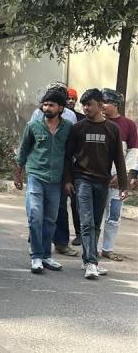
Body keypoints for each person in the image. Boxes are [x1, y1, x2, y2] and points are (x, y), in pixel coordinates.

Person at [64, 89, 128, 279]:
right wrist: (68, 180)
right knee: (86, 221)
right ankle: (92, 262)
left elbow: (119, 158)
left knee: (96, 223)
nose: (85, 108)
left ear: (100, 105)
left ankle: (88, 259)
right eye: (83, 105)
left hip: (103, 181)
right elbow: (67, 157)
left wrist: (123, 185)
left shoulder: (112, 129)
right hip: (82, 180)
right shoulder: (78, 128)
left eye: (89, 104)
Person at [14, 90, 72, 274]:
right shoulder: (33, 126)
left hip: (56, 179)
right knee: (35, 215)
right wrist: (18, 173)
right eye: (45, 105)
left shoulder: (68, 127)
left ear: (61, 108)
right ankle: (36, 256)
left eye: (51, 105)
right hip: (35, 176)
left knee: (50, 219)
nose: (47, 108)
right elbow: (23, 150)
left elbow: (69, 155)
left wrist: (68, 180)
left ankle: (46, 255)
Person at [100, 89, 137, 262]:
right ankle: (92, 249)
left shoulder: (129, 125)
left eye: (105, 102)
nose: (102, 105)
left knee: (114, 214)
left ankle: (107, 249)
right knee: (95, 214)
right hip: (96, 176)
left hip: (117, 178)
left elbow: (134, 152)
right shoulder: (94, 122)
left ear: (115, 104)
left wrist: (123, 175)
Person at [53, 86, 83, 253]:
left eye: (71, 98)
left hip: (65, 166)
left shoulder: (71, 117)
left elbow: (73, 144)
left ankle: (62, 242)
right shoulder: (39, 114)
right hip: (42, 168)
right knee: (38, 208)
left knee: (62, 205)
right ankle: (38, 239)